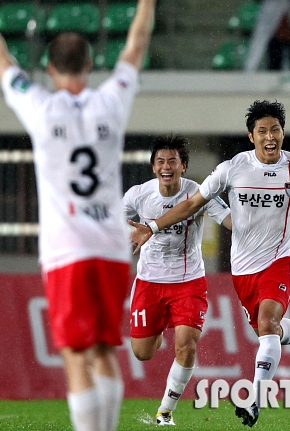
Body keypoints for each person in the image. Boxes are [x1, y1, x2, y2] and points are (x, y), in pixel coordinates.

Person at [0, 0, 158, 431]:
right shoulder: (111, 100)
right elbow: (136, 46)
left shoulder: (41, 107)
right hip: (110, 245)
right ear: (89, 66)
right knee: (106, 351)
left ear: (48, 69)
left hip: (66, 249)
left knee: (74, 354)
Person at [130, 100, 290, 428]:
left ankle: (254, 401)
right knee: (271, 331)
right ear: (251, 136)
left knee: (267, 325)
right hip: (243, 270)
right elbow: (193, 203)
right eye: (262, 131)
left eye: (275, 130)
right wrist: (152, 227)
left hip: (281, 259)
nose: (270, 136)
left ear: (283, 133)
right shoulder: (232, 168)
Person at [123, 134, 232, 426]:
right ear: (153, 167)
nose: (166, 166)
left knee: (186, 345)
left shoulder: (198, 192)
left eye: (173, 160)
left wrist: (256, 224)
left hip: (188, 281)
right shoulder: (139, 195)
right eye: (160, 161)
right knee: (142, 353)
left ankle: (165, 411)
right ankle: (156, 328)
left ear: (184, 166)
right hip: (149, 280)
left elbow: (228, 219)